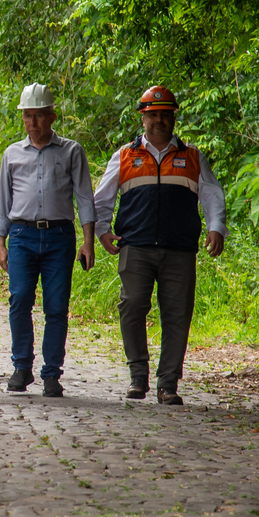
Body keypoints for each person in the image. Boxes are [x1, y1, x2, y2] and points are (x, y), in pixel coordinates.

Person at [94, 85, 226, 405]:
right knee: (132, 305)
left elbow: (211, 194)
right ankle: (138, 376)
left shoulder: (192, 156)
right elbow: (102, 198)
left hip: (179, 249)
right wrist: (101, 231)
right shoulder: (125, 155)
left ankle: (168, 383)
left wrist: (216, 227)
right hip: (135, 246)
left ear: (173, 118)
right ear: (143, 119)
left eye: (165, 115)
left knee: (178, 314)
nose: (159, 121)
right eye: (153, 115)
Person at [0, 83, 96, 397]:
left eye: (39, 116)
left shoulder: (71, 151)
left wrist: (88, 241)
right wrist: (0, 241)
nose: (33, 123)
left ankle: (52, 373)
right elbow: (3, 200)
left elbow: (84, 199)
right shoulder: (12, 154)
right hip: (22, 235)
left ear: (52, 117)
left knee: (56, 306)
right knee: (20, 298)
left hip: (58, 236)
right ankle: (22, 366)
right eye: (27, 116)